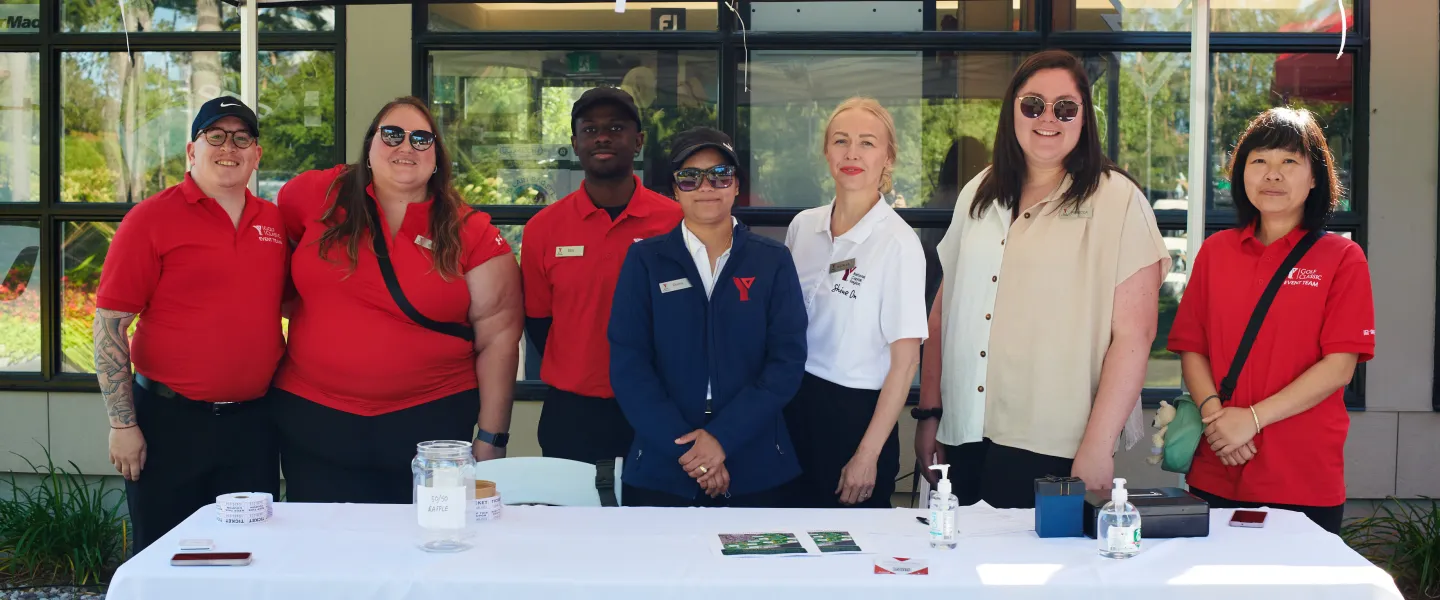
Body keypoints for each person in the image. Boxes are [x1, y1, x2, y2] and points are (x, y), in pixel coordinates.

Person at [915, 50, 1170, 508]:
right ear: (1011, 109)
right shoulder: (977, 192)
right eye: (1032, 104)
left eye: (1065, 107)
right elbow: (945, 308)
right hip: (964, 435)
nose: (1047, 118)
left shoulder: (1118, 200)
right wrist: (930, 413)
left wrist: (1097, 444)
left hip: (1056, 448)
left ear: (1083, 117)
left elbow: (1136, 334)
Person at [272, 96, 522, 503]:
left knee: (425, 553)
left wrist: (492, 438)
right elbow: (272, 268)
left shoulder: (470, 231)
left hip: (429, 431)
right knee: (324, 554)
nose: (406, 147)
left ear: (437, 157)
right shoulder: (313, 195)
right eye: (392, 135)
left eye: (422, 139)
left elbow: (500, 338)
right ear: (369, 147)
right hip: (315, 423)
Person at [1167, 107, 1374, 535]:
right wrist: (1217, 419)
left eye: (1290, 162)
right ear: (1241, 173)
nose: (1272, 175)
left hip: (1302, 477)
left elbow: (1339, 367)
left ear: (1315, 177)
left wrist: (1252, 419)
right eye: (1259, 161)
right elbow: (1192, 347)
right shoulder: (1216, 252)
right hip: (1217, 465)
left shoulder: (1342, 259)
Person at [93, 96, 283, 552]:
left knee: (251, 556)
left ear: (256, 154)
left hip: (253, 426)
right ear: (191, 151)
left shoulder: (273, 222)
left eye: (242, 138)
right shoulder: (150, 219)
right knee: (167, 559)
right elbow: (110, 326)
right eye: (214, 135)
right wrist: (123, 425)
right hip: (168, 422)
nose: (228, 147)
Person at [609, 127, 808, 507]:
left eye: (720, 175)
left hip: (756, 464)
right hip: (663, 465)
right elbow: (629, 365)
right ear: (674, 189)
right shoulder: (645, 261)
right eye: (690, 177)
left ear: (736, 187)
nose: (706, 186)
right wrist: (692, 454)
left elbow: (786, 362)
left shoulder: (772, 260)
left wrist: (722, 439)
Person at [521, 87, 683, 464]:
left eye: (616, 127)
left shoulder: (676, 221)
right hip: (573, 411)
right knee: (570, 520)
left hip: (659, 405)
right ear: (575, 143)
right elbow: (539, 321)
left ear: (638, 140)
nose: (603, 137)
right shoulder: (543, 228)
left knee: (658, 520)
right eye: (590, 130)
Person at [783, 98, 928, 508]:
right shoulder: (803, 227)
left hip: (855, 416)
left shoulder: (898, 244)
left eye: (867, 143)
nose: (852, 153)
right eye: (841, 141)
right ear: (826, 152)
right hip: (793, 404)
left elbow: (905, 364)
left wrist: (867, 456)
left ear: (888, 157)